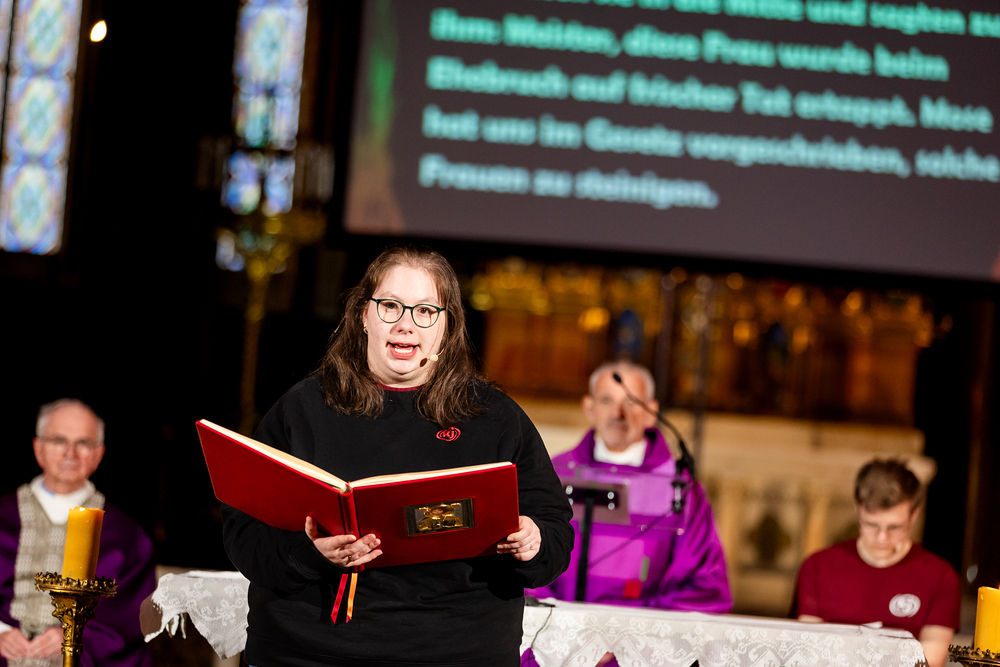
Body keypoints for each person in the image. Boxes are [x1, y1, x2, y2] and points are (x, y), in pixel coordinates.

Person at [222, 246, 574, 667]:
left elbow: (556, 535)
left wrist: (533, 541)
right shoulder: (303, 410)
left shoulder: (494, 417)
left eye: (425, 311)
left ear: (447, 326)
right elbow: (244, 536)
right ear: (363, 316)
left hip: (457, 651)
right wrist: (310, 553)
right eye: (390, 306)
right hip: (310, 651)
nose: (406, 324)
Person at [527, 361, 731, 613]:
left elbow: (706, 584)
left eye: (631, 402)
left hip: (642, 635)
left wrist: (631, 629)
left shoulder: (681, 490)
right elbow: (525, 559)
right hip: (558, 630)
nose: (618, 413)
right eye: (606, 401)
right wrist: (559, 623)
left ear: (651, 413)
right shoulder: (554, 474)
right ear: (589, 409)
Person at [0, 399, 156, 667]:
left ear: (99, 454)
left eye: (83, 443)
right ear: (38, 448)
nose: (70, 453)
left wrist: (74, 638)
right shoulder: (3, 516)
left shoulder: (126, 537)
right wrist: (1, 633)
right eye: (58, 440)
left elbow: (130, 621)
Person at [794, 459, 960, 667]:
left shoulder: (941, 577)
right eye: (872, 525)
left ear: (914, 515)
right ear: (858, 509)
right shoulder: (817, 567)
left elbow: (930, 660)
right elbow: (808, 651)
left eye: (894, 527)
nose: (882, 538)